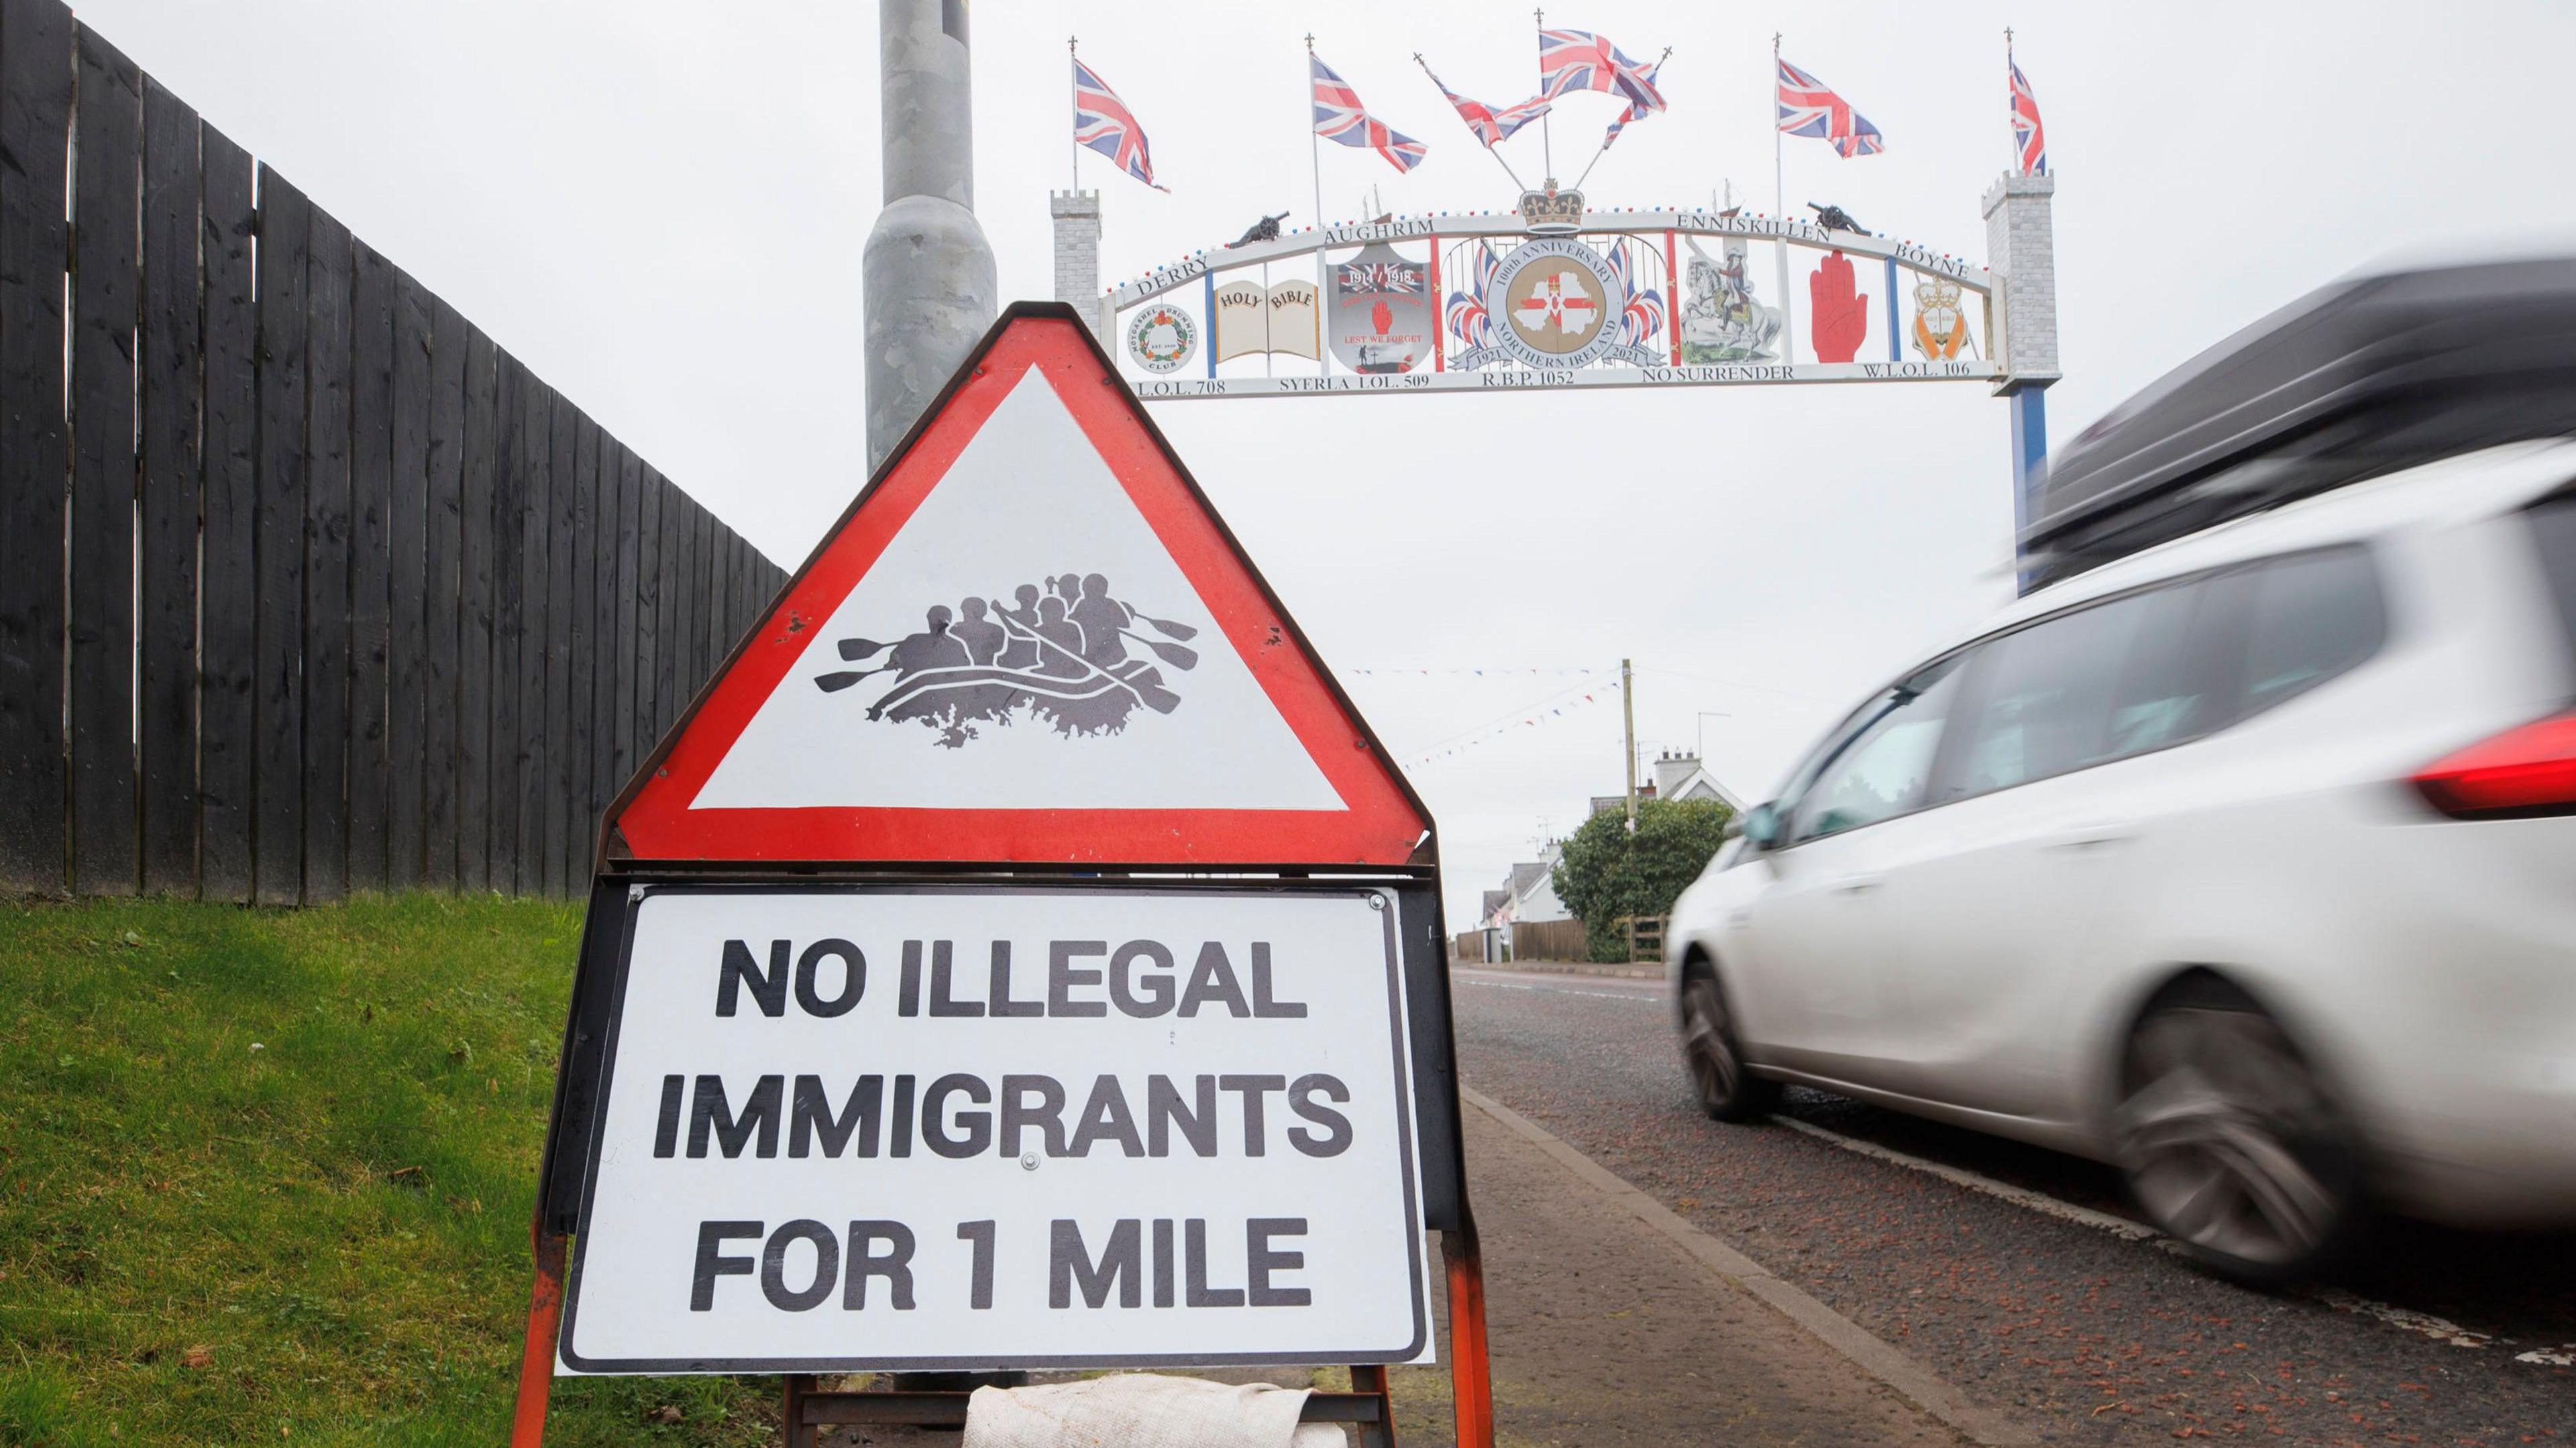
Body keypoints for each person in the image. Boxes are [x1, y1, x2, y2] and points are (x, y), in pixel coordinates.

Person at [1069, 573, 1132, 668]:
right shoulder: (1083, 604)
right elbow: (1071, 622)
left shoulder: (1110, 604)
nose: (1085, 592)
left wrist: (1106, 619)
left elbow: (1126, 623)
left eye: (1089, 588)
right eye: (1085, 588)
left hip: (1112, 652)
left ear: (1102, 590)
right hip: (1091, 652)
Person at [951, 596, 1005, 666]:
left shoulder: (996, 630)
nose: (964, 614)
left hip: (983, 669)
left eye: (965, 611)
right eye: (963, 611)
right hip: (964, 669)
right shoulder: (997, 629)